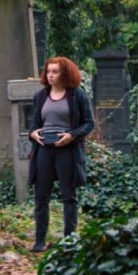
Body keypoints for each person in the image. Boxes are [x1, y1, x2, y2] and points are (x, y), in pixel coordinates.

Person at [27, 56, 95, 252]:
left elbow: (89, 124)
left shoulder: (78, 96)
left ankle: (69, 240)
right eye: (48, 71)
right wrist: (33, 133)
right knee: (41, 197)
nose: (50, 75)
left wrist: (71, 135)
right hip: (44, 150)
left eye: (55, 71)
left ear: (65, 73)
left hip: (68, 150)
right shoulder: (41, 96)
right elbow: (35, 123)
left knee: (69, 196)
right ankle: (40, 241)